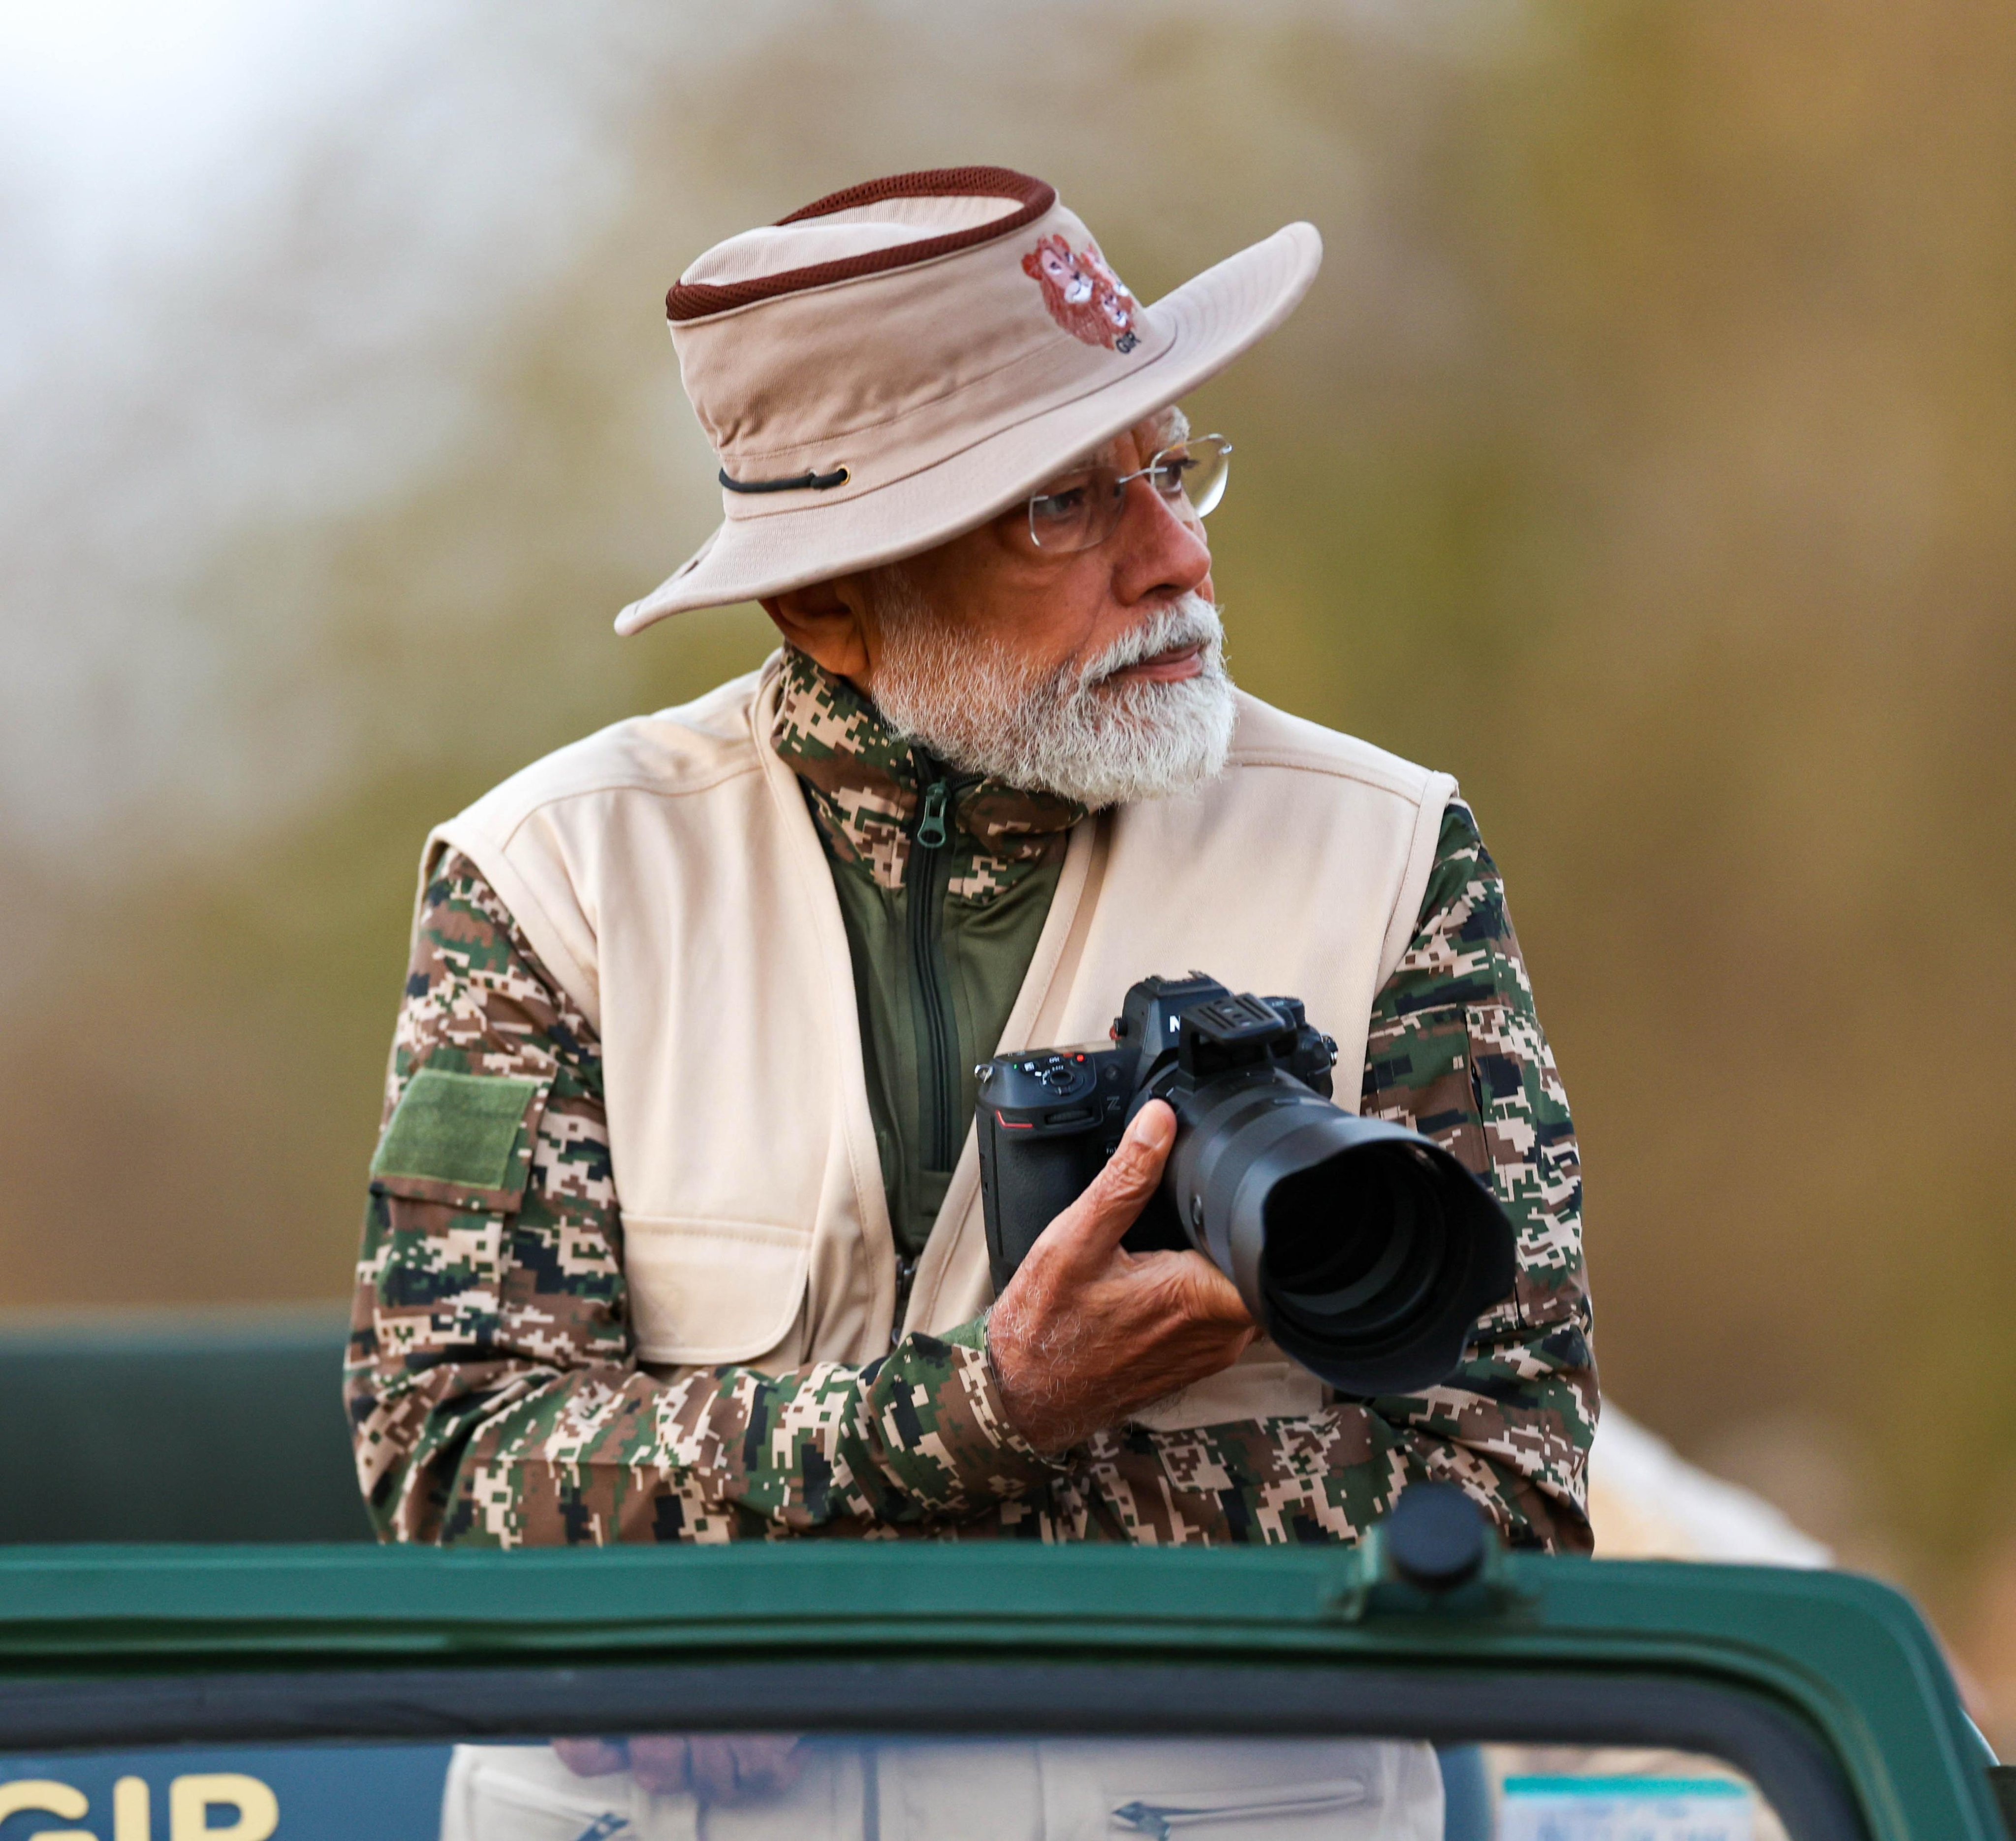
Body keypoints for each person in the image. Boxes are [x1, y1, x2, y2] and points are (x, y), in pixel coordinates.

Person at [346, 167, 1595, 1570]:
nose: (1178, 556)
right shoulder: (556, 882)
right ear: (826, 603)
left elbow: (1509, 1485)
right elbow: (452, 1463)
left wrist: (844, 1529)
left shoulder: (1387, 849)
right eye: (1063, 504)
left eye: (1170, 470)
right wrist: (984, 1414)